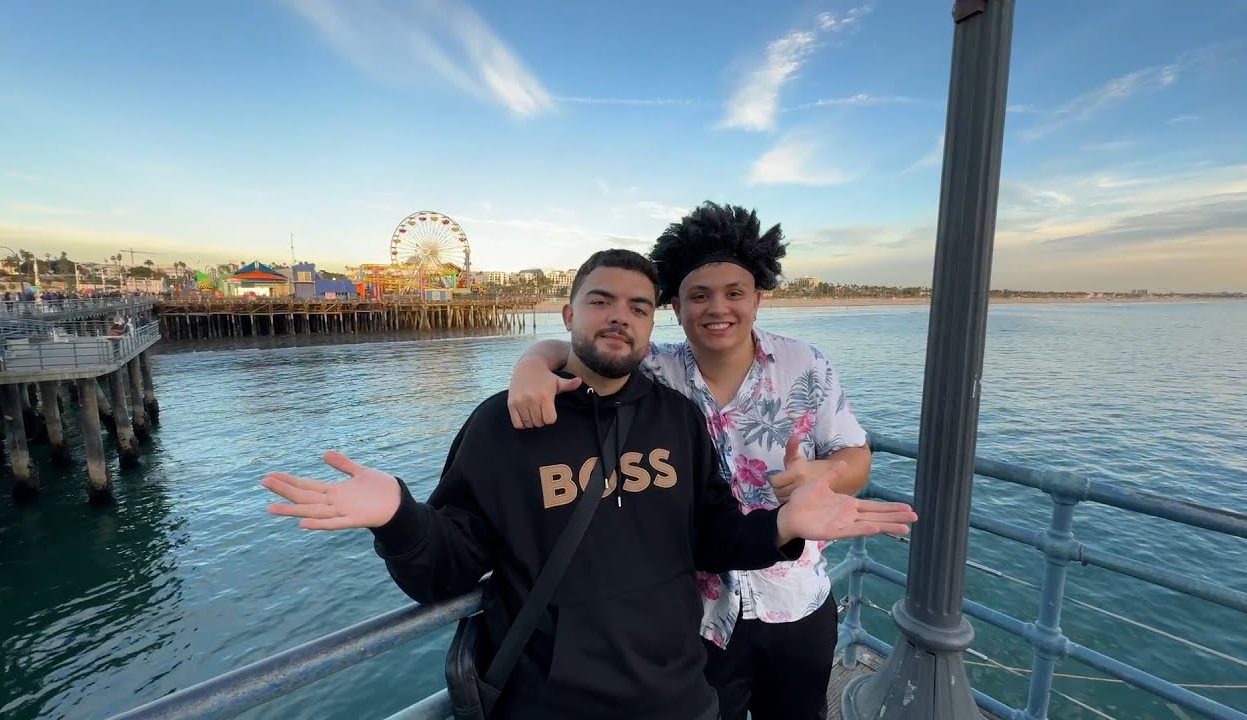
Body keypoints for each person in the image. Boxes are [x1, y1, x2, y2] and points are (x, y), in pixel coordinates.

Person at [263, 249, 916, 720]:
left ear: (651, 325)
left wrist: (783, 526)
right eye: (601, 300)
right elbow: (451, 569)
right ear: (567, 311)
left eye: (637, 306)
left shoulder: (674, 416)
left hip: (681, 695)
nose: (619, 316)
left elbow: (713, 536)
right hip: (553, 700)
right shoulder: (503, 425)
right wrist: (399, 516)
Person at [508, 203, 871, 720]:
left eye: (734, 293)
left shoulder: (805, 365)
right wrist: (530, 364)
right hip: (698, 616)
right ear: (676, 308)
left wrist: (824, 474)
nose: (717, 308)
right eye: (699, 295)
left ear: (758, 299)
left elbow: (856, 455)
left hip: (795, 600)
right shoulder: (653, 369)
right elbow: (580, 350)